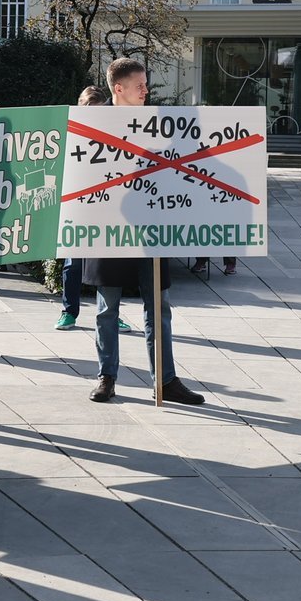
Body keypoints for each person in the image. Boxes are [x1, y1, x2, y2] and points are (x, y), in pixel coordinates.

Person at [84, 58, 204, 406]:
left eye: (146, 85)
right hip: (108, 229)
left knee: (158, 307)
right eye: (140, 85)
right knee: (107, 308)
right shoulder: (91, 123)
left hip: (150, 230)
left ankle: (165, 381)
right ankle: (106, 377)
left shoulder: (158, 125)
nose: (146, 91)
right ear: (118, 89)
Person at [54, 85, 112, 332]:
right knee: (73, 263)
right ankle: (69, 312)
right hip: (78, 207)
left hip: (106, 206)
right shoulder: (71, 132)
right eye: (89, 112)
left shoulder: (114, 133)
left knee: (109, 263)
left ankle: (111, 311)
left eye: (99, 112)